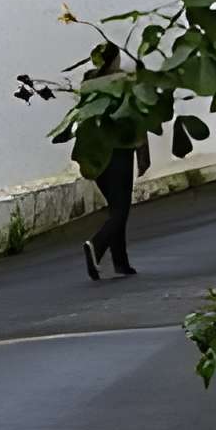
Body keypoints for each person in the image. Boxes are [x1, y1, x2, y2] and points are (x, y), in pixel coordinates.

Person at [81, 51, 151, 281]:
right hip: (119, 152)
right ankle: (97, 245)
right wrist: (143, 154)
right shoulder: (124, 82)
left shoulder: (88, 83)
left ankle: (121, 261)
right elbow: (137, 118)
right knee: (121, 209)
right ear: (114, 59)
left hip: (95, 153)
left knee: (116, 207)